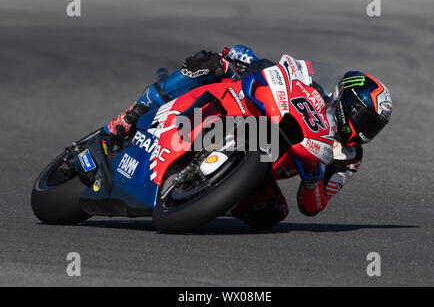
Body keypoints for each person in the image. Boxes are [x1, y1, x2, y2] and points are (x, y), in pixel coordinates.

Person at [104, 45, 393, 229]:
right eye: (365, 118)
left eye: (374, 126)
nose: (366, 130)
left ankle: (215, 195)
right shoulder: (314, 90)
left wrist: (315, 178)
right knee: (213, 62)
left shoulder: (350, 159)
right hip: (238, 111)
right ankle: (132, 113)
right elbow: (282, 71)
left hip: (265, 166)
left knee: (272, 213)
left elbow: (312, 206)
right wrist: (248, 62)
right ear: (348, 101)